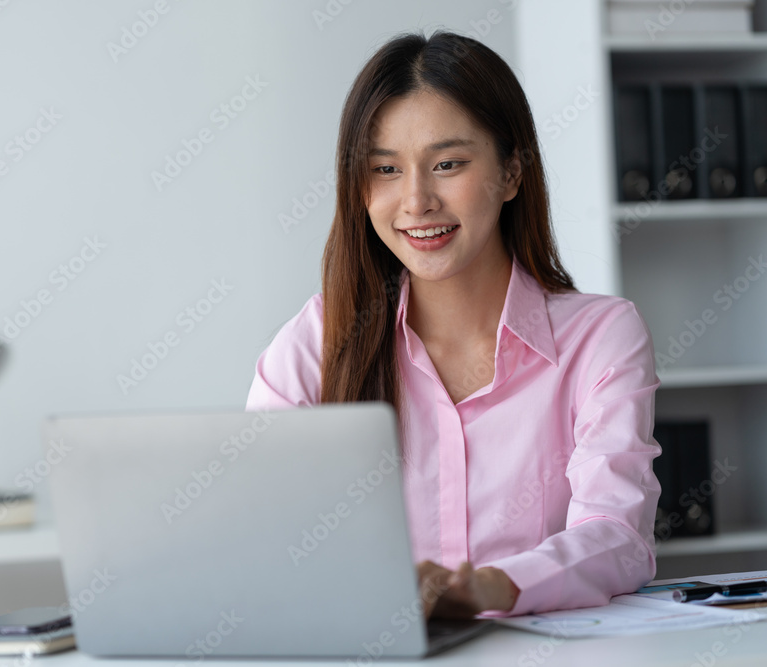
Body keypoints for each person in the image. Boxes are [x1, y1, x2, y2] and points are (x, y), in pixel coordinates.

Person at [245, 31, 661, 619]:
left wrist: (492, 587)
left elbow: (617, 537)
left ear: (512, 172)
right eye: (385, 169)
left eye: (447, 164)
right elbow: (255, 533)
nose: (415, 201)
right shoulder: (319, 341)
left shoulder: (601, 338)